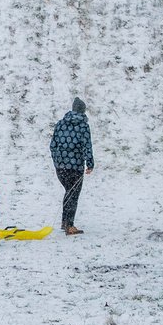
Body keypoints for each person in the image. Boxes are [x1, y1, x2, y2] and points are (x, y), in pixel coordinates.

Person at [49, 97, 95, 236]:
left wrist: (57, 160)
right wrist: (90, 163)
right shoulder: (83, 126)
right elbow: (87, 146)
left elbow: (53, 145)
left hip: (60, 166)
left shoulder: (60, 123)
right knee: (73, 194)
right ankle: (69, 225)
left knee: (69, 192)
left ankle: (65, 222)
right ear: (83, 110)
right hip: (75, 166)